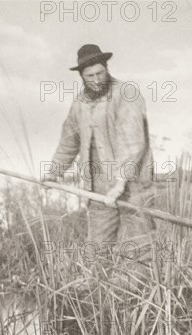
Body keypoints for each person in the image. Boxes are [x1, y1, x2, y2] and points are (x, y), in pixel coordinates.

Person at [42, 44, 155, 263]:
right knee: (96, 254)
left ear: (107, 68)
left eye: (100, 73)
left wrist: (120, 184)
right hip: (97, 191)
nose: (96, 80)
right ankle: (100, 293)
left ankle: (143, 293)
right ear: (81, 77)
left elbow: (132, 142)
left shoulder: (126, 94)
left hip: (132, 188)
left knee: (140, 251)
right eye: (90, 76)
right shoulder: (79, 104)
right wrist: (54, 172)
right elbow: (68, 142)